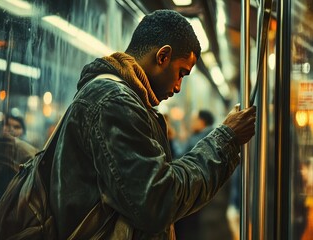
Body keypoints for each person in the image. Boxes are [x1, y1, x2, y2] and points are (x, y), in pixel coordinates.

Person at [49, 9, 256, 239]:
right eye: (181, 74)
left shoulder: (122, 101)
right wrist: (225, 139)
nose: (178, 87)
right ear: (163, 56)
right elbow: (158, 201)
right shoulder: (114, 102)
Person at [175, 110, 233, 240]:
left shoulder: (196, 141)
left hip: (200, 212)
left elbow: (180, 167)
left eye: (194, 120)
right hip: (217, 208)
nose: (191, 123)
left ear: (202, 122)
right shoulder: (218, 140)